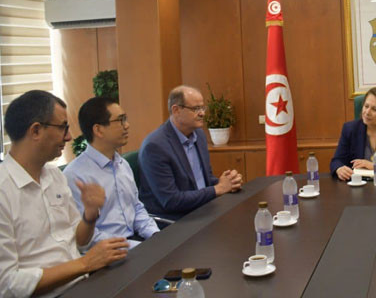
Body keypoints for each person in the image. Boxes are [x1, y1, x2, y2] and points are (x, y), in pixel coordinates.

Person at [0, 91, 128, 297]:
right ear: (36, 130)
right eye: (63, 127)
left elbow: (79, 240)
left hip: (83, 284)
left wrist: (90, 215)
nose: (68, 137)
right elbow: (7, 285)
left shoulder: (54, 175)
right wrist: (86, 263)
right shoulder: (4, 191)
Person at [63, 97, 159, 249]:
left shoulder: (122, 164)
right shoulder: (75, 175)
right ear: (98, 130)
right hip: (108, 252)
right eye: (120, 120)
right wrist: (137, 247)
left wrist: (155, 235)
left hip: (135, 243)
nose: (127, 125)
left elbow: (136, 208)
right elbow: (87, 237)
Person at [139, 85, 242, 220]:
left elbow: (204, 181)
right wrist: (217, 189)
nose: (202, 113)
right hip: (175, 220)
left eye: (203, 108)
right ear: (176, 110)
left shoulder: (199, 135)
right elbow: (171, 201)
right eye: (195, 109)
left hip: (202, 209)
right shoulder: (155, 146)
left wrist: (227, 182)